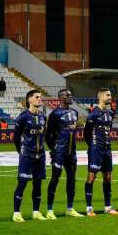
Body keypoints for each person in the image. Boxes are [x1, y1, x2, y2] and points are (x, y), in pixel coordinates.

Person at [45, 89, 84, 219]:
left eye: (70, 94)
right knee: (55, 179)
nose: (70, 96)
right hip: (60, 152)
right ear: (61, 98)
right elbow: (48, 135)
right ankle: (50, 209)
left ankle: (70, 208)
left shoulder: (75, 112)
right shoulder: (55, 114)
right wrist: (54, 149)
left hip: (71, 152)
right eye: (67, 95)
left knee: (72, 180)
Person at [84, 88, 118, 217]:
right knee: (91, 177)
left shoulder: (110, 113)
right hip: (96, 149)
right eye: (108, 95)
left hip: (107, 149)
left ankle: (108, 207)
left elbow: (108, 129)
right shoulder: (93, 114)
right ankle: (89, 208)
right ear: (100, 97)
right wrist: (93, 146)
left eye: (110, 95)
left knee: (108, 177)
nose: (110, 97)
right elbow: (86, 133)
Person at [12, 90, 47, 222]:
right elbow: (15, 137)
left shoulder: (43, 116)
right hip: (27, 156)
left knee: (37, 185)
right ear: (29, 100)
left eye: (40, 97)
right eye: (37, 97)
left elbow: (45, 133)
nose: (40, 99)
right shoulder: (23, 117)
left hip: (40, 156)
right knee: (22, 184)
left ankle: (36, 212)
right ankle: (16, 213)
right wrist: (20, 151)